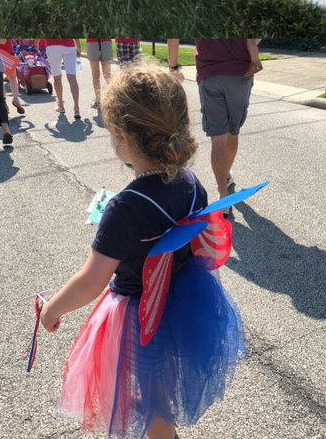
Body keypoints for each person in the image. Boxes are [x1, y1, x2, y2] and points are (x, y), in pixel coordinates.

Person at [41, 66, 244, 439]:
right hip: (181, 300)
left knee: (153, 403)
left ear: (121, 137)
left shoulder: (125, 207)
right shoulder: (189, 181)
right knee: (158, 383)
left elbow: (91, 281)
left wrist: (53, 308)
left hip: (141, 314)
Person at [166, 35, 261, 219]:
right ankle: (225, 176)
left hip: (209, 73)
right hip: (240, 73)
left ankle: (223, 195)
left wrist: (173, 66)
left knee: (218, 139)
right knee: (233, 133)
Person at [83, 38, 114, 111]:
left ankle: (98, 100)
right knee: (108, 75)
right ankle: (114, 97)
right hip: (105, 42)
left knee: (95, 76)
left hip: (92, 43)